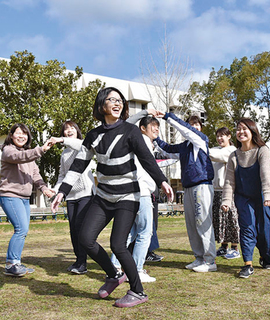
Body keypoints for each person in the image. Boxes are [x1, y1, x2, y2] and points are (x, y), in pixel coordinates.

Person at [51, 87, 173, 308]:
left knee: (118, 244)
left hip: (128, 195)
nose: (117, 103)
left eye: (120, 100)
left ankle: (138, 291)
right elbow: (78, 165)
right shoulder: (93, 136)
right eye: (112, 100)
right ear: (101, 105)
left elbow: (146, 159)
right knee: (85, 238)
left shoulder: (131, 131)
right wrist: (62, 191)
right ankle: (114, 275)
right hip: (104, 196)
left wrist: (162, 181)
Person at [155, 113, 217, 273]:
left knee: (203, 222)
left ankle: (210, 260)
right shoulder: (184, 147)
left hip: (202, 185)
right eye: (192, 124)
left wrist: (167, 116)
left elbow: (187, 131)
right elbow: (167, 150)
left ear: (200, 128)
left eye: (197, 125)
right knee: (191, 224)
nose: (194, 127)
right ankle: (199, 258)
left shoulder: (201, 140)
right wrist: (154, 137)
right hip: (189, 187)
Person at [221, 118, 270, 279]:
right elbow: (229, 181)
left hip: (263, 196)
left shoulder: (262, 150)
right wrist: (226, 200)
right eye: (238, 129)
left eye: (244, 129)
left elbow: (265, 175)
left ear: (252, 131)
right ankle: (248, 264)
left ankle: (266, 257)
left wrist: (268, 196)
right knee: (247, 228)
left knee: (266, 230)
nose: (241, 132)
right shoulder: (234, 155)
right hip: (244, 197)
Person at [110, 111, 166, 283]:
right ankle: (137, 270)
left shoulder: (149, 144)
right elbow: (125, 123)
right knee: (145, 232)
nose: (156, 129)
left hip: (135, 191)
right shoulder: (140, 139)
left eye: (158, 126)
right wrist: (145, 112)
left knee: (131, 232)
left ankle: (115, 266)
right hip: (140, 192)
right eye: (152, 126)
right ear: (142, 128)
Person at [0, 123, 56, 277]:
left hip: (24, 198)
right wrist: (41, 150)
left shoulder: (28, 155)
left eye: (24, 134)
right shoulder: (8, 150)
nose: (21, 136)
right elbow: (19, 157)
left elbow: (35, 175)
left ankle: (15, 262)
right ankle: (11, 264)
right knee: (21, 229)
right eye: (18, 133)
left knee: (23, 231)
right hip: (10, 196)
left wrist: (44, 189)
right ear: (11, 136)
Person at [52, 120, 96, 275]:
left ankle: (83, 263)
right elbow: (62, 176)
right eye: (65, 129)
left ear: (77, 131)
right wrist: (56, 190)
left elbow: (79, 145)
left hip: (85, 193)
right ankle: (79, 260)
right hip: (71, 196)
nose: (69, 130)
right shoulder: (64, 154)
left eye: (72, 128)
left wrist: (62, 140)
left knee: (80, 227)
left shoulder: (82, 146)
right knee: (73, 229)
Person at [209, 127, 240, 260]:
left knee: (231, 219)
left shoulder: (232, 151)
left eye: (223, 136)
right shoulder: (215, 150)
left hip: (228, 191)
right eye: (218, 136)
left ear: (229, 137)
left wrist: (199, 146)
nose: (220, 138)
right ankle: (223, 246)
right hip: (215, 190)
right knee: (219, 220)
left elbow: (217, 156)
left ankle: (235, 248)